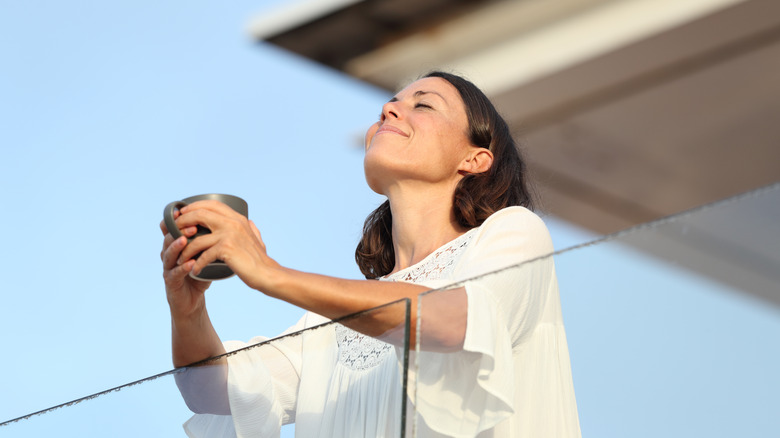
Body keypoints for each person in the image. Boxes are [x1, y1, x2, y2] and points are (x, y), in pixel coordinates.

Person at [160, 71, 581, 437]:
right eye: (392, 102)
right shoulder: (328, 322)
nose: (389, 110)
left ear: (475, 158)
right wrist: (188, 308)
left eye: (424, 105)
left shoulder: (513, 232)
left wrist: (268, 272)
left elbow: (454, 321)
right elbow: (209, 391)